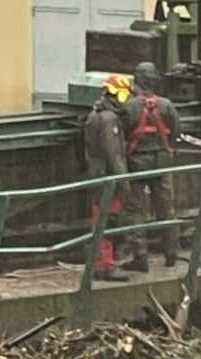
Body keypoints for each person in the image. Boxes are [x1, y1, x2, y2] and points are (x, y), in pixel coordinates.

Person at [121, 62, 182, 272]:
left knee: (135, 210)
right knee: (166, 208)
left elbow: (124, 132)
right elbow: (175, 130)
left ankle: (140, 257)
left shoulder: (129, 106)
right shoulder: (166, 105)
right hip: (162, 162)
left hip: (137, 163)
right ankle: (171, 253)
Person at [84, 74, 133, 281]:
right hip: (108, 178)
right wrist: (124, 182)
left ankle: (101, 263)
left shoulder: (95, 114)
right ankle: (106, 266)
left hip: (97, 174)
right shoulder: (109, 119)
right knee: (107, 221)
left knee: (100, 220)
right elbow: (114, 154)